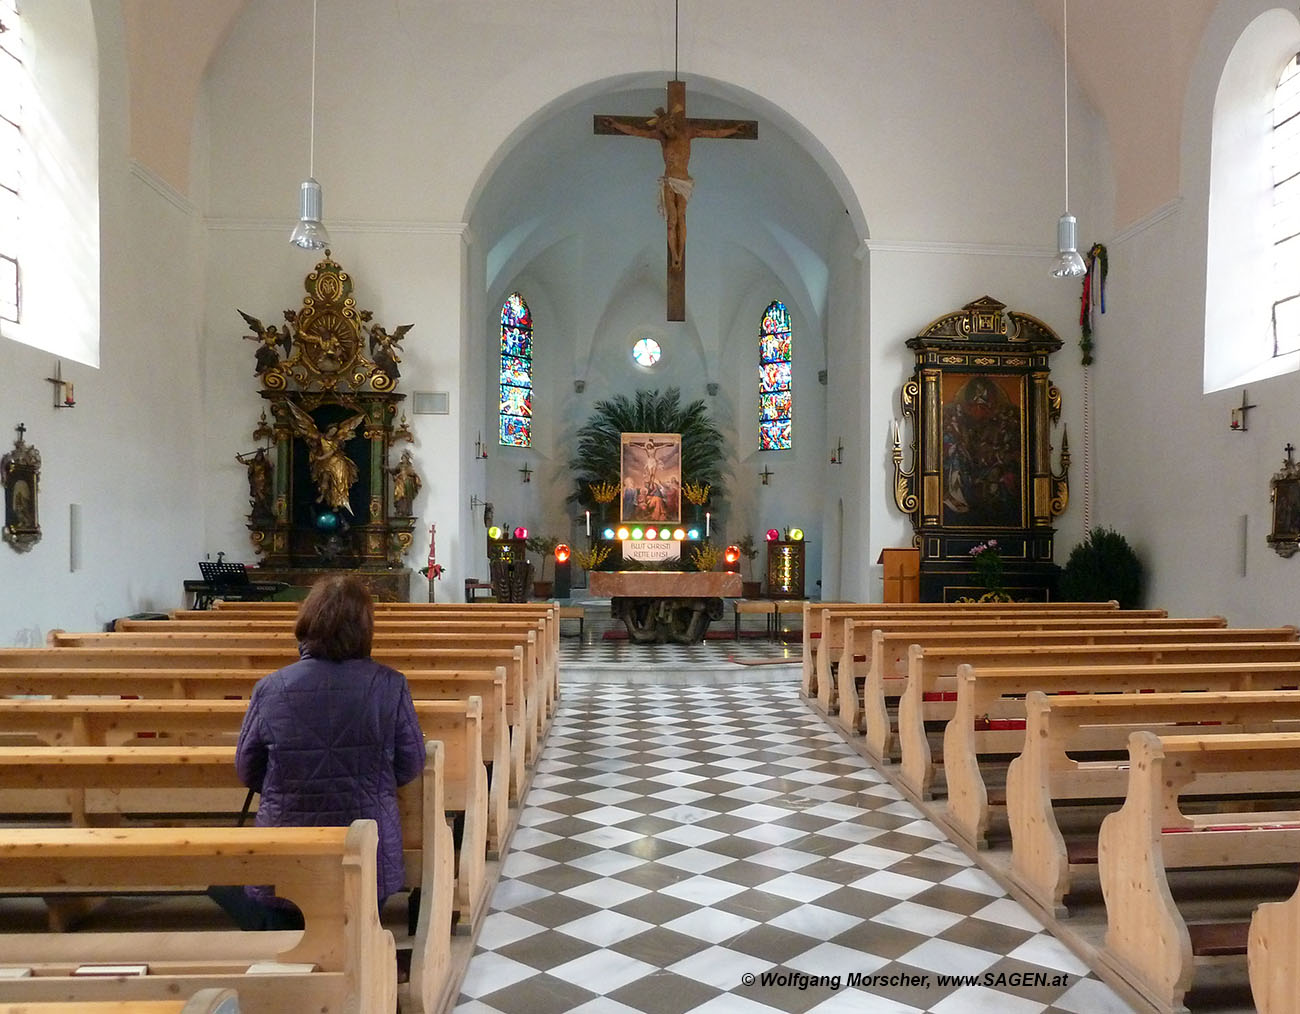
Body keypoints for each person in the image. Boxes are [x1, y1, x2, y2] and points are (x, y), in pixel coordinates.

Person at [208, 575, 426, 930]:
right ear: (365, 628)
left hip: (287, 846)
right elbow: (410, 761)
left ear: (308, 622)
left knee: (288, 922)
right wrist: (373, 781)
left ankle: (292, 976)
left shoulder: (271, 688)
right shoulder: (389, 685)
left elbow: (248, 768)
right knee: (358, 921)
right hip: (367, 843)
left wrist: (293, 783)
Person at [597, 104, 750, 271]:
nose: (668, 131)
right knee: (672, 221)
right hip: (669, 181)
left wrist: (734, 129)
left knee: (682, 217)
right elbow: (637, 131)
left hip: (684, 182)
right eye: (664, 128)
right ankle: (675, 257)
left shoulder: (688, 133)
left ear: (674, 124)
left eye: (669, 126)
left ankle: (680, 253)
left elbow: (713, 133)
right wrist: (616, 125)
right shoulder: (662, 138)